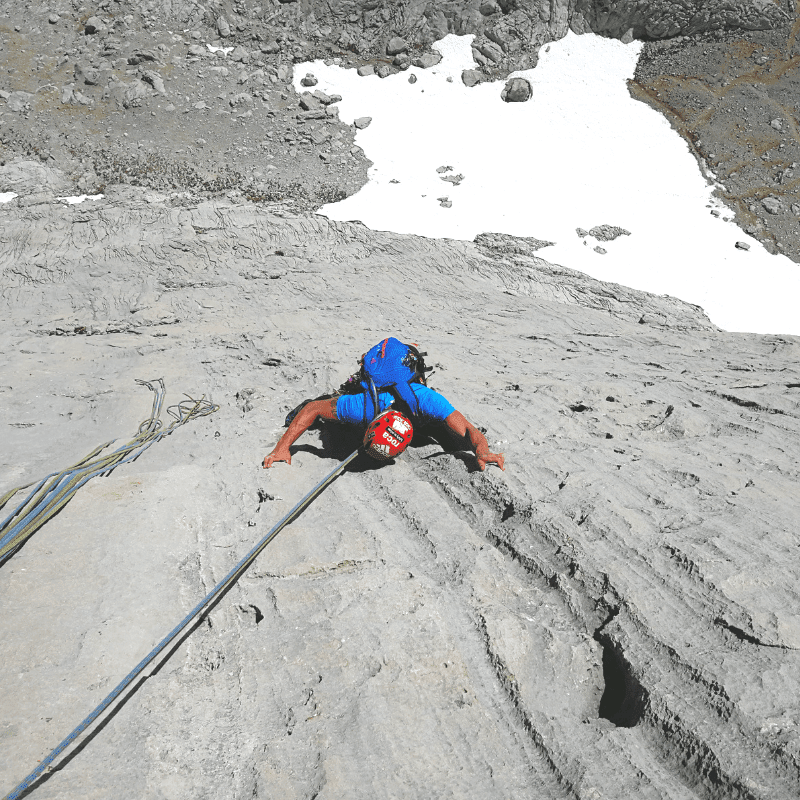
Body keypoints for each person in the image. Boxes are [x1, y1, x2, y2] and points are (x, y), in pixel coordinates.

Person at [262, 341, 505, 472]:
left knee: (452, 437)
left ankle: (408, 354)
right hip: (374, 398)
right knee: (331, 411)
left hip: (407, 392)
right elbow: (312, 409)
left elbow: (468, 430)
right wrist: (281, 448)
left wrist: (481, 450)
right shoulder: (362, 407)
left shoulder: (427, 400)